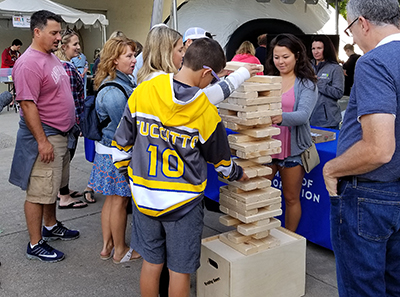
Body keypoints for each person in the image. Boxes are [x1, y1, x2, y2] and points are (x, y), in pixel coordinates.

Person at [112, 37, 249, 297]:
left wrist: (129, 175)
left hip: (144, 197)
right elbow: (221, 163)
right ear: (207, 72)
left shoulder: (144, 91)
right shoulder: (206, 111)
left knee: (152, 263)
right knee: (179, 271)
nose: (213, 83)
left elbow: (121, 146)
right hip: (183, 204)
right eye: (215, 77)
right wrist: (238, 173)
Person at [323, 0, 400, 296]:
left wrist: (332, 169)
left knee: (362, 289)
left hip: (370, 195)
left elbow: (379, 148)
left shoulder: (375, 61)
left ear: (363, 23)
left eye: (351, 28)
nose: (353, 37)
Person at [8, 10, 80, 262]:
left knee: (51, 187)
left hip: (60, 134)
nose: (59, 37)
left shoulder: (48, 56)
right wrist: (42, 141)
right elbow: (27, 105)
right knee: (39, 192)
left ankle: (50, 226)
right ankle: (35, 243)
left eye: (60, 32)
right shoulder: (28, 63)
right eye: (54, 33)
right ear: (37, 32)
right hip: (46, 135)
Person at [87, 36, 140, 263]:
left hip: (106, 152)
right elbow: (125, 131)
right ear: (114, 60)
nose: (134, 60)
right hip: (115, 153)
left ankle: (107, 246)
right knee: (119, 201)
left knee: (111, 200)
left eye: (134, 55)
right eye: (128, 55)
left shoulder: (114, 83)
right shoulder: (115, 91)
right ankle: (120, 250)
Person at [264, 34, 318, 232]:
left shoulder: (307, 84)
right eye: (276, 57)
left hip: (293, 151)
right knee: (260, 194)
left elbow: (303, 115)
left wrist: (277, 118)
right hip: (266, 148)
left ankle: (289, 238)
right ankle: (261, 233)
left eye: (285, 57)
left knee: (291, 197)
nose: (280, 62)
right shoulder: (268, 80)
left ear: (296, 55)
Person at [54, 29, 90, 207]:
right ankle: (63, 195)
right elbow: (72, 97)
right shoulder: (66, 67)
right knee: (66, 157)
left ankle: (63, 191)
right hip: (71, 121)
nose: (78, 48)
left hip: (67, 120)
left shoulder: (59, 65)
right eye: (75, 44)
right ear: (64, 46)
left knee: (65, 156)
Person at [309, 35, 344, 129]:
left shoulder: (335, 68)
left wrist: (318, 82)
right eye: (313, 48)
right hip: (307, 119)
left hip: (327, 121)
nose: (316, 52)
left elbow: (338, 93)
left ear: (326, 49)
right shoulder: (307, 67)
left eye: (319, 48)